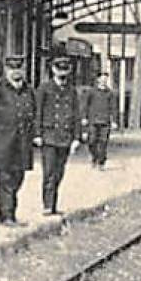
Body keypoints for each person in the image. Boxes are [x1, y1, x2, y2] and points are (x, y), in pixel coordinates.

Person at [0, 55, 35, 225]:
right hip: (3, 144)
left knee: (18, 178)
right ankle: (7, 216)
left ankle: (10, 213)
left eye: (19, 69)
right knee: (5, 180)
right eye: (12, 69)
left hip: (22, 144)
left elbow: (33, 114)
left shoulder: (28, 91)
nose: (16, 72)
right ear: (6, 70)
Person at [33, 55, 82, 216]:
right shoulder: (44, 88)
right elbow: (38, 112)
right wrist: (37, 134)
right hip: (49, 136)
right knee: (49, 172)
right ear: (53, 70)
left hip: (65, 137)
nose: (62, 73)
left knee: (59, 172)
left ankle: (53, 204)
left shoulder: (71, 90)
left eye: (65, 70)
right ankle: (47, 205)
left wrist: (76, 137)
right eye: (59, 69)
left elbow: (76, 115)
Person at [82, 72, 116, 168]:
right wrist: (84, 117)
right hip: (93, 120)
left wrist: (114, 121)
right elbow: (85, 105)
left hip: (105, 121)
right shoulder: (91, 92)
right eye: (102, 79)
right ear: (98, 80)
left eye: (105, 80)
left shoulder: (110, 93)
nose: (103, 81)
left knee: (103, 142)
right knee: (92, 140)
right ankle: (94, 156)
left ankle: (101, 162)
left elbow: (113, 107)